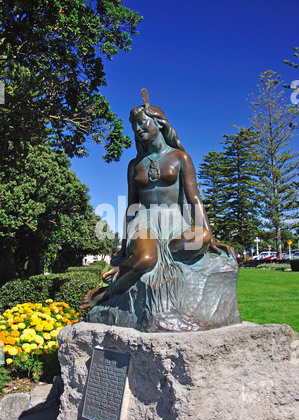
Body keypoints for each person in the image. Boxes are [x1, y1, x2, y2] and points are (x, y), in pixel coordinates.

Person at [80, 89, 235, 311]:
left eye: (142, 123)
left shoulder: (181, 158)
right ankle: (109, 291)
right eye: (134, 126)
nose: (137, 129)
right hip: (144, 224)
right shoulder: (135, 165)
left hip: (175, 225)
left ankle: (132, 266)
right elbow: (132, 206)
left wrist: (209, 237)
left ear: (159, 123)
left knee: (201, 237)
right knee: (145, 258)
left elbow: (194, 200)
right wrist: (124, 249)